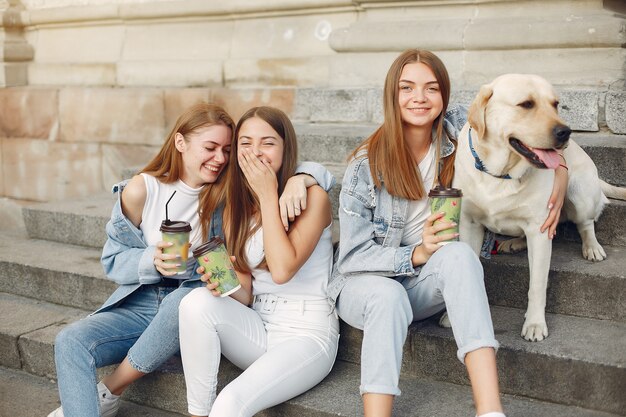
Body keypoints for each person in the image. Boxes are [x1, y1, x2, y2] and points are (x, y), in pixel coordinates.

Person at [48, 102, 334, 417]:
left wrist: (303, 177)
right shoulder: (147, 191)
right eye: (212, 148)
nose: (220, 158)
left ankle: (113, 387)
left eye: (226, 149)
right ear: (181, 143)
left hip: (223, 305)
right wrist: (151, 261)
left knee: (189, 300)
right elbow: (113, 260)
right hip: (151, 301)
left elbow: (302, 173)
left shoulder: (229, 194)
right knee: (69, 341)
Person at [329, 49, 568, 417]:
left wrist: (561, 169)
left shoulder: (461, 129)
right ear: (392, 96)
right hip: (366, 286)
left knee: (459, 254)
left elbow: (537, 127)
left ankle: (489, 410)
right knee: (387, 294)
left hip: (423, 284)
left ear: (445, 95)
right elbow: (351, 258)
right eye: (407, 88)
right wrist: (415, 254)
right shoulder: (366, 165)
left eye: (432, 88)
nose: (420, 98)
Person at [178, 106, 339, 417]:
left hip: (307, 332)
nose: (256, 152)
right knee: (194, 302)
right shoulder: (235, 207)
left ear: (285, 148)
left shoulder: (313, 198)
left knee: (230, 402)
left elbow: (281, 270)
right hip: (260, 324)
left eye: (268, 143)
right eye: (246, 143)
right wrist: (224, 284)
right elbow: (249, 291)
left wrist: (270, 195)